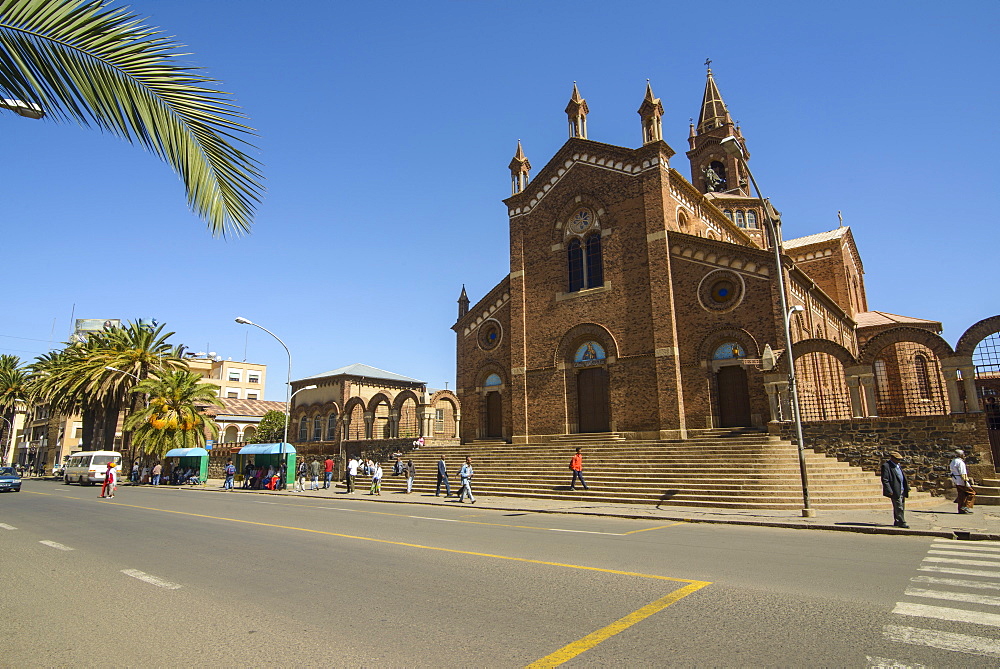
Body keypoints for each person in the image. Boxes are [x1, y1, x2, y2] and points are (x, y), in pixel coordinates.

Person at [880, 451, 909, 528]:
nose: (899, 461)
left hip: (902, 489)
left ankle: (897, 520)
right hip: (895, 489)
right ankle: (902, 522)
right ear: (892, 458)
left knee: (901, 506)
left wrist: (907, 487)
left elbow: (902, 476)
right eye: (897, 459)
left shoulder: (898, 466)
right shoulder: (886, 466)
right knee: (899, 507)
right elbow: (885, 479)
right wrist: (889, 490)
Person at [950, 449, 976, 514]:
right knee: (971, 493)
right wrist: (965, 481)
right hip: (960, 480)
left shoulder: (953, 461)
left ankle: (961, 509)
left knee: (961, 494)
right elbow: (963, 472)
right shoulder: (960, 462)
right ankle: (966, 506)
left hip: (956, 479)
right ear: (960, 455)